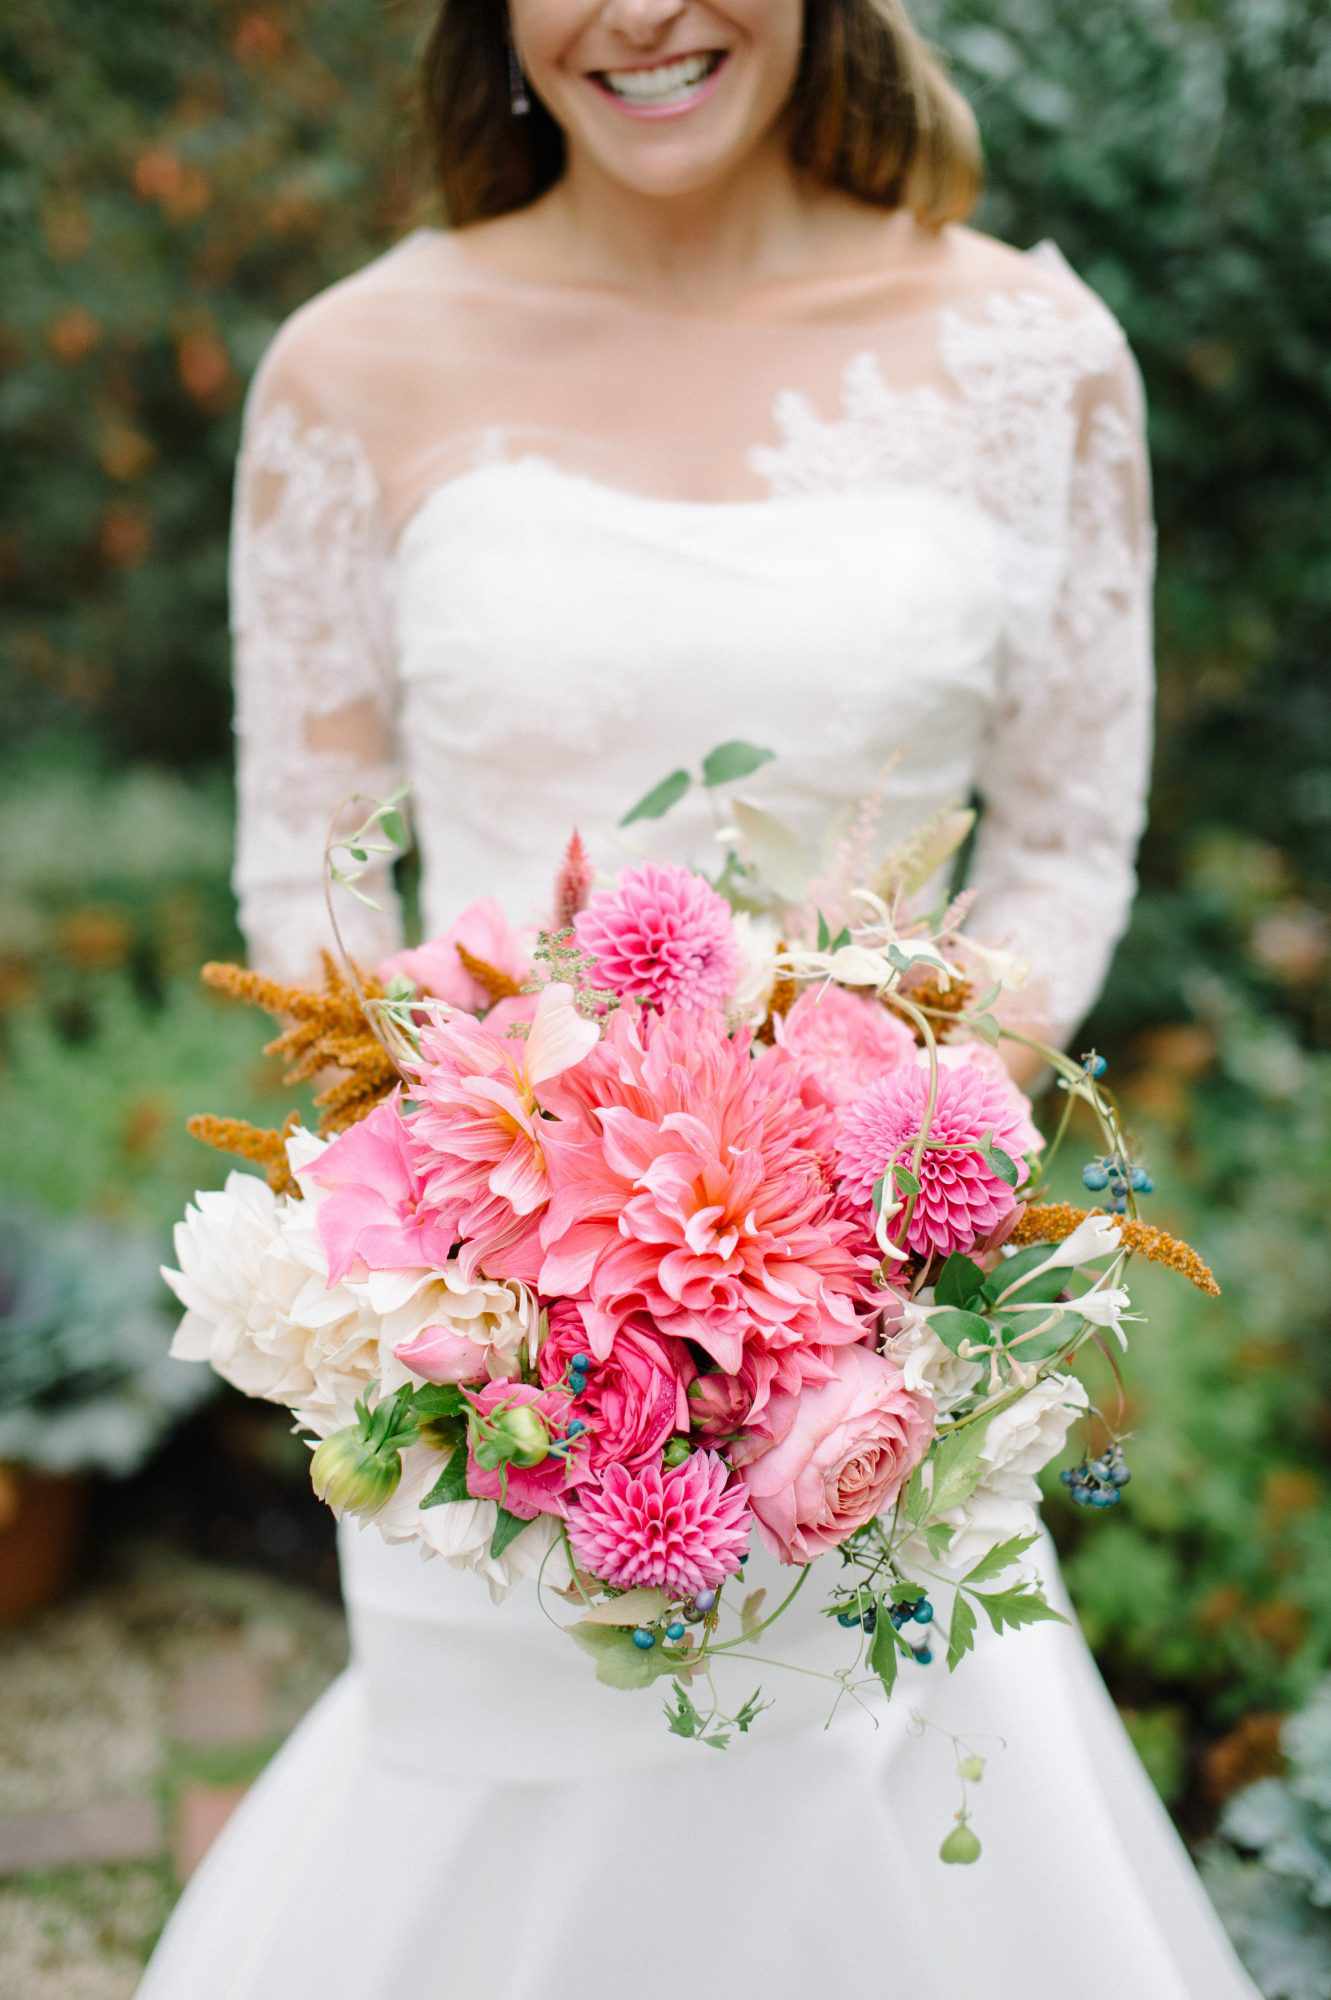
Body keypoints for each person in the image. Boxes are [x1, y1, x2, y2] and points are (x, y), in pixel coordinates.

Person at [138, 4, 1261, 1994]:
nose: (645, 15)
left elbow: (1069, 842)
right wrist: (490, 1245)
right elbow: (312, 876)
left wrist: (880, 1193)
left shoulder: (1032, 355)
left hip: (864, 1345)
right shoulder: (353, 366)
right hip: (509, 1327)